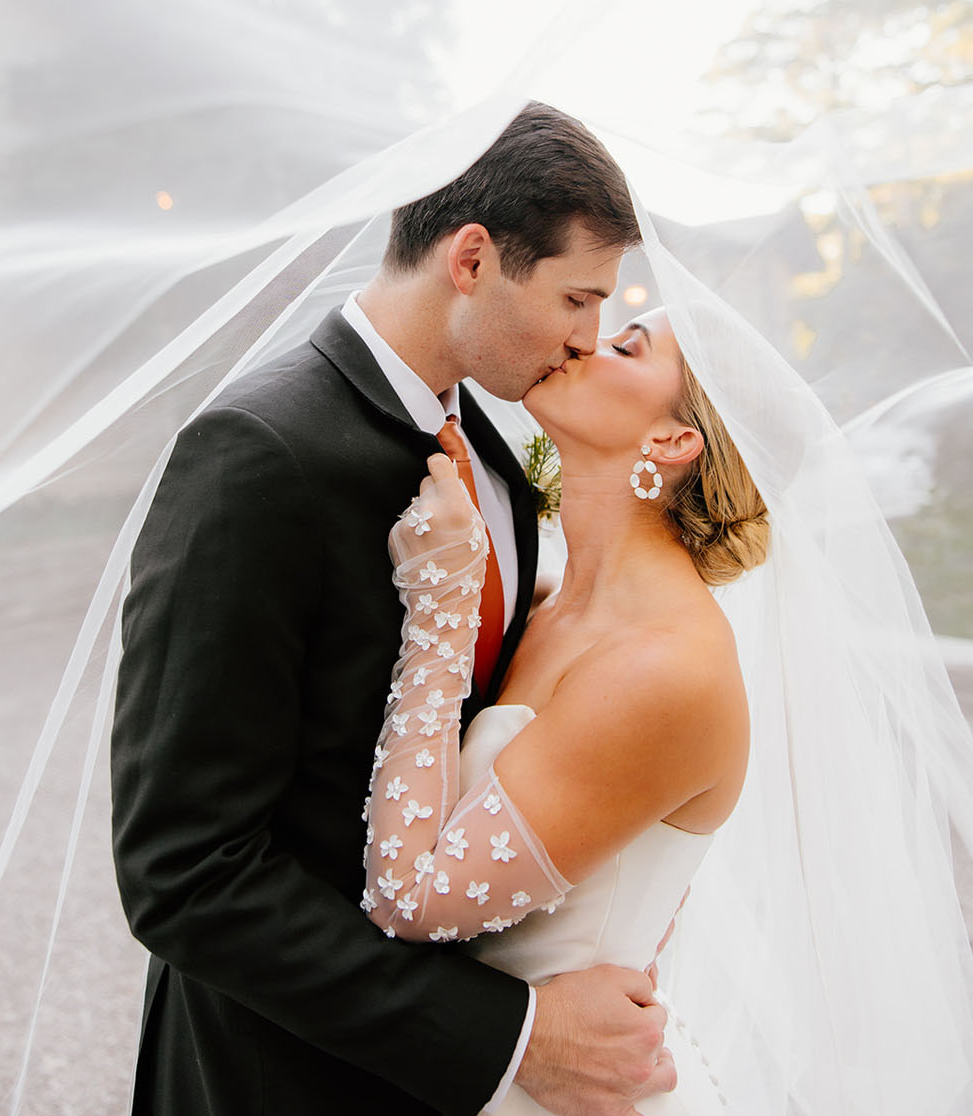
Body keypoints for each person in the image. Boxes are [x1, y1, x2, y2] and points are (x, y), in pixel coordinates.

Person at [110, 101, 681, 1116]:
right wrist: (507, 1041)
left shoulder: (498, 461)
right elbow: (183, 871)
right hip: (268, 1077)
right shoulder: (256, 455)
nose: (586, 340)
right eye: (576, 298)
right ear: (471, 260)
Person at [363, 307, 766, 1114]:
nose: (585, 337)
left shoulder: (667, 668)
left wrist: (441, 615)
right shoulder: (549, 602)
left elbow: (409, 901)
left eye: (626, 345)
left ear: (672, 441)